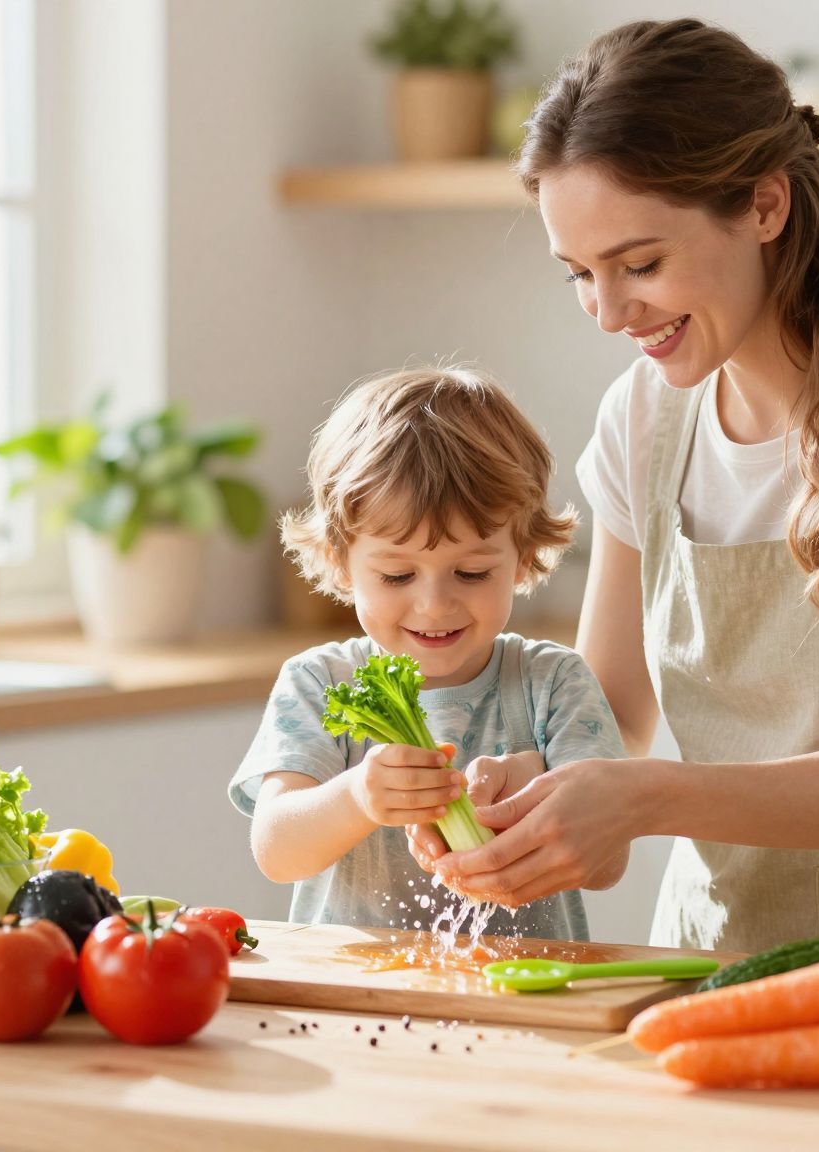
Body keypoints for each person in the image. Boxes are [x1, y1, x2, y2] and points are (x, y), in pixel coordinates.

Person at [418, 19, 819, 953]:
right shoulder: (644, 417)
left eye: (641, 264)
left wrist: (642, 797)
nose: (608, 313)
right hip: (700, 966)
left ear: (765, 205)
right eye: (580, 275)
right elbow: (607, 714)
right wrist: (527, 792)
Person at [230, 367, 626, 939]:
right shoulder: (316, 681)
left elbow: (608, 865)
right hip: (359, 995)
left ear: (522, 558)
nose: (435, 605)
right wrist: (356, 797)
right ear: (342, 564)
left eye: (471, 571)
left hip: (525, 992)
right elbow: (277, 850)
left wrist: (534, 784)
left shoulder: (553, 681)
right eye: (396, 576)